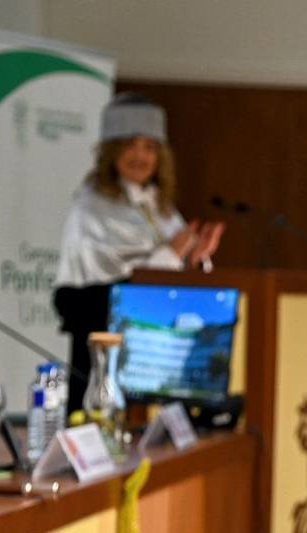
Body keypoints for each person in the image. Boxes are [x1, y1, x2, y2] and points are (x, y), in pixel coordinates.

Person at [53, 93, 223, 412]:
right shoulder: (91, 206)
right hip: (106, 341)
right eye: (130, 145)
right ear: (112, 151)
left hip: (159, 351)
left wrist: (195, 259)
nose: (139, 156)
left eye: (149, 147)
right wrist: (172, 254)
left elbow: (171, 279)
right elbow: (108, 287)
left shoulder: (161, 208)